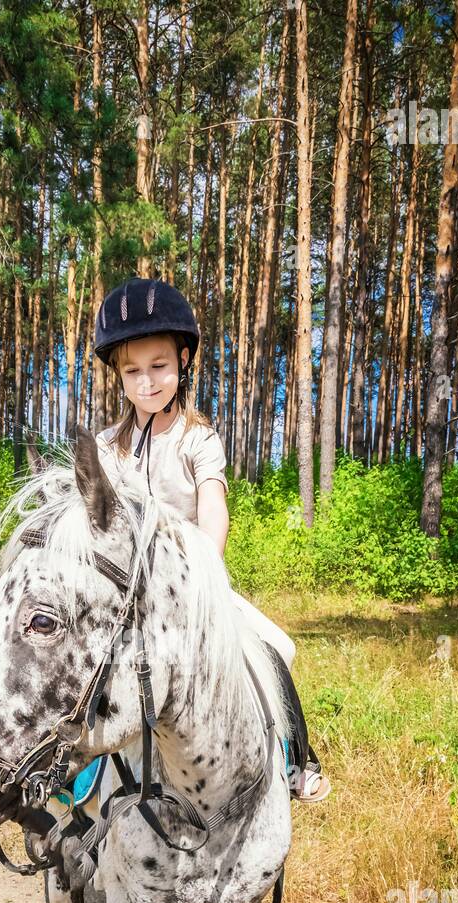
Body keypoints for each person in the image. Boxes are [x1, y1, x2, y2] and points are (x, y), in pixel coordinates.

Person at [90, 276, 330, 803]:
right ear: (119, 377)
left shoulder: (198, 438)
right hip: (122, 591)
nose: (147, 382)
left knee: (275, 646)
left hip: (189, 585)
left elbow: (214, 510)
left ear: (182, 363)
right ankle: (69, 779)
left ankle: (295, 761)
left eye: (159, 366)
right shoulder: (108, 447)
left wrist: (205, 574)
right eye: (133, 371)